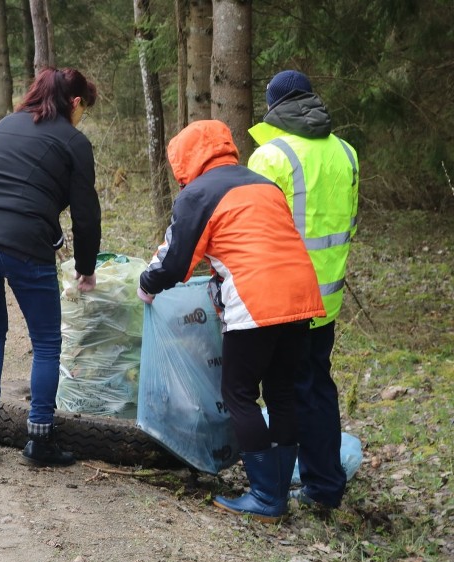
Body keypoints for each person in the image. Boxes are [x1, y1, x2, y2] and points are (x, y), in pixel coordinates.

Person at [137, 120, 326, 523]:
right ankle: (277, 490)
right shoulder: (263, 184)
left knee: (239, 393)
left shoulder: (199, 194)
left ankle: (264, 497)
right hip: (301, 295)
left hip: (257, 300)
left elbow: (174, 262)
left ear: (186, 159)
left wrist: (146, 284)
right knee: (282, 394)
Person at [0, 67, 101, 467]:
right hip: (24, 245)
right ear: (74, 103)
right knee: (47, 343)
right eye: (83, 108)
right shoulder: (74, 142)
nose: (82, 115)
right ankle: (39, 440)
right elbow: (86, 215)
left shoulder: (6, 125)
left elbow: (8, 183)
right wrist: (86, 267)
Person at [247, 70, 359, 509]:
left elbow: (253, 233)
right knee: (317, 385)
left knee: (286, 389)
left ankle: (280, 485)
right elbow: (350, 224)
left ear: (274, 107)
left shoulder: (270, 156)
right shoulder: (347, 152)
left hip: (281, 295)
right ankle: (324, 482)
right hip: (327, 296)